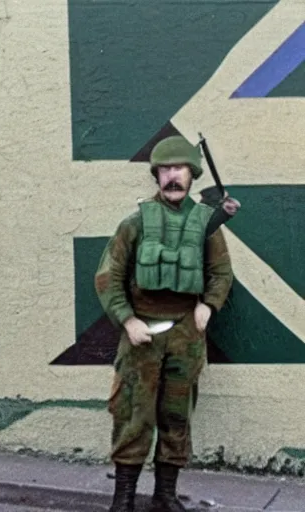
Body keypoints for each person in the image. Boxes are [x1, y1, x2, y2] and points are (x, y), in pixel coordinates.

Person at [95, 135, 240, 511]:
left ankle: (164, 495)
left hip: (186, 334)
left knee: (176, 415)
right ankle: (123, 497)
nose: (172, 176)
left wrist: (208, 305)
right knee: (133, 413)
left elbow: (221, 272)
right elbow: (108, 276)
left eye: (180, 169)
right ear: (156, 175)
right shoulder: (136, 222)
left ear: (192, 175)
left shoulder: (206, 224)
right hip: (142, 332)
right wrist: (127, 320)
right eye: (165, 169)